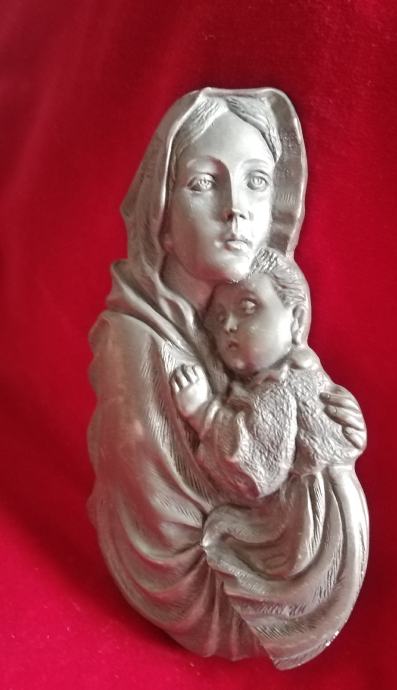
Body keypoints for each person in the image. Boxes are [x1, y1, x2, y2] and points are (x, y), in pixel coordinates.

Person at [88, 88, 367, 665]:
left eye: (257, 181)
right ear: (162, 215)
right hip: (219, 589)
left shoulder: (266, 337)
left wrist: (331, 435)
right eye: (203, 183)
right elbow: (173, 540)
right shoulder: (139, 344)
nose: (236, 209)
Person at [170, 247, 368, 668]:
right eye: (218, 317)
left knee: (226, 546)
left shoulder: (278, 387)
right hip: (337, 510)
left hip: (305, 527)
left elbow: (254, 471)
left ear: (296, 319)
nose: (228, 326)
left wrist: (202, 411)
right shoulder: (302, 373)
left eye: (247, 307)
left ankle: (274, 630)